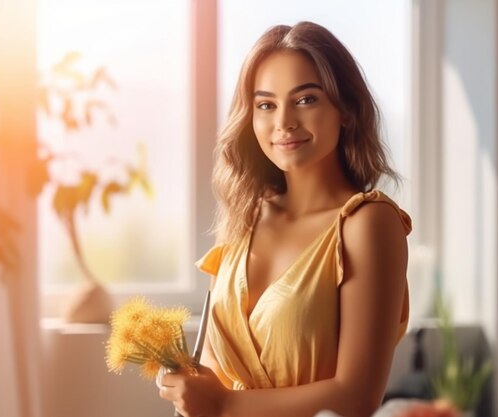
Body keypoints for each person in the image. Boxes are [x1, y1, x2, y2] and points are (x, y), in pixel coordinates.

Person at [158, 21, 412, 417]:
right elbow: (214, 373)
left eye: (306, 99)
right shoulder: (243, 219)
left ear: (345, 110)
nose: (284, 122)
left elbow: (357, 397)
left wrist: (224, 403)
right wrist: (188, 387)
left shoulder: (368, 225)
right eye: (266, 104)